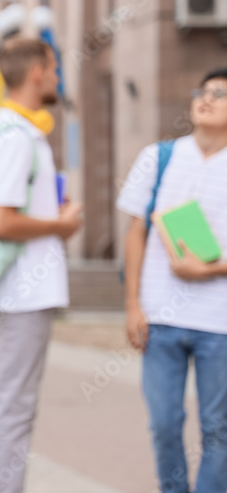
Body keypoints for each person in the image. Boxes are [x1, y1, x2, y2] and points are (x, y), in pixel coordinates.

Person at [0, 36, 83, 493]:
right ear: (37, 72)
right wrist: (59, 226)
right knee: (16, 406)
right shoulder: (15, 135)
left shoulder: (19, 131)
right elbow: (1, 221)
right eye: (55, 70)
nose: (58, 78)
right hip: (25, 289)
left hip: (26, 288)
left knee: (17, 404)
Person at [118, 67, 227, 493]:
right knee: (164, 424)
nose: (207, 99)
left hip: (220, 324)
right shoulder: (158, 157)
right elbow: (135, 231)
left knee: (217, 429)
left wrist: (211, 268)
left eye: (220, 94)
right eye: (204, 91)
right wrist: (131, 304)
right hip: (160, 317)